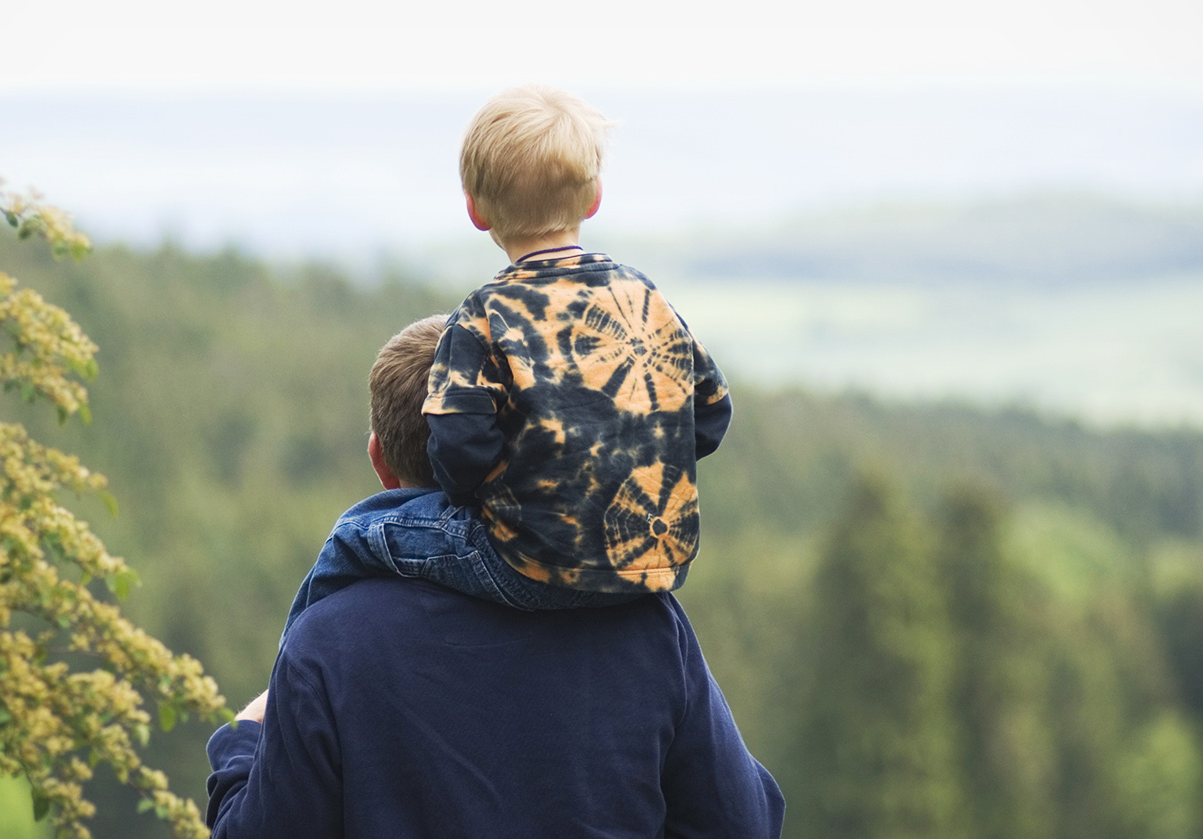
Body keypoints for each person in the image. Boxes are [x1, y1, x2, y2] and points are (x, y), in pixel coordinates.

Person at [206, 316, 783, 838]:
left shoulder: (325, 644)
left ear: (381, 461)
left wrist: (242, 744)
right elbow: (744, 823)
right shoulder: (644, 621)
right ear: (519, 453)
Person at [284, 84, 732, 633]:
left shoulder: (482, 317)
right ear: (593, 197)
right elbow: (710, 412)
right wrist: (635, 455)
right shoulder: (643, 298)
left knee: (359, 533)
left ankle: (287, 681)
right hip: (653, 566)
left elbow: (459, 449)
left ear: (475, 209)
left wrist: (515, 492)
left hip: (529, 569)